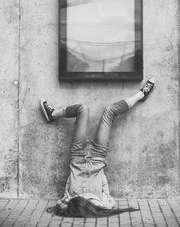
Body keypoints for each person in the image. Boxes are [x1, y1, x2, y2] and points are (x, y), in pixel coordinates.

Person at [40, 78, 155, 217]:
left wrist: (67, 202)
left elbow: (60, 204)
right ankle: (141, 95)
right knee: (110, 111)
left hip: (78, 156)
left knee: (82, 109)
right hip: (97, 157)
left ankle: (53, 114)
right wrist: (100, 202)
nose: (86, 198)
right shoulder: (101, 204)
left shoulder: (70, 202)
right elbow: (110, 201)